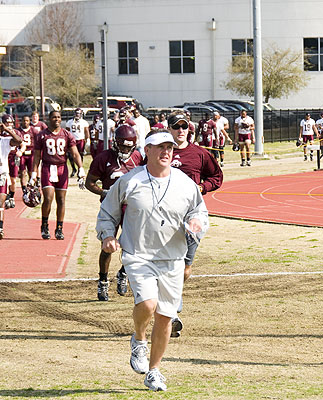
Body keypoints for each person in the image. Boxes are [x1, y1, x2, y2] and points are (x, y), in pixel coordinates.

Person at [96, 129, 208, 391]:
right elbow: (107, 211)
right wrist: (108, 235)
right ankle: (138, 340)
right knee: (148, 304)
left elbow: (200, 211)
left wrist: (196, 223)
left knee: (166, 316)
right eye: (159, 147)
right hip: (138, 254)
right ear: (146, 151)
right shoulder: (130, 180)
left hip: (173, 257)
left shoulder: (184, 182)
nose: (166, 152)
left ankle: (155, 370)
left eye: (169, 147)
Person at [167, 112, 222, 337]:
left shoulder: (200, 154)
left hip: (191, 217)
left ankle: (174, 296)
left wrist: (203, 187)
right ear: (168, 129)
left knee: (185, 266)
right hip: (163, 217)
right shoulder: (160, 151)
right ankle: (170, 313)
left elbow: (216, 177)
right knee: (167, 264)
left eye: (184, 127)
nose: (181, 131)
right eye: (176, 127)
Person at [86, 125, 144, 301]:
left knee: (132, 245)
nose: (126, 150)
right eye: (123, 146)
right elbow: (90, 182)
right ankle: (103, 281)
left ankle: (123, 273)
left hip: (129, 207)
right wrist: (104, 192)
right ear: (115, 143)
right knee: (108, 245)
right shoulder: (103, 158)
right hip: (110, 208)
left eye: (129, 146)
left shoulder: (137, 158)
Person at [30, 110, 85, 240]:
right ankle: (44, 225)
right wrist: (34, 173)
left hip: (62, 168)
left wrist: (81, 168)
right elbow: (37, 156)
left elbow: (75, 153)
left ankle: (59, 228)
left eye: (59, 117)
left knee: (61, 200)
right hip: (48, 168)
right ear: (49, 119)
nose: (56, 119)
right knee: (48, 198)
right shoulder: (41, 135)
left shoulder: (67, 135)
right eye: (54, 117)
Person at [0, 114, 25, 208]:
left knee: (13, 179)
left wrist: (21, 152)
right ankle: (5, 196)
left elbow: (23, 144)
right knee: (3, 178)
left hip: (12, 156)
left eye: (10, 122)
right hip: (2, 157)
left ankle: (11, 196)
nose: (9, 124)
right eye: (7, 122)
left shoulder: (16, 133)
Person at [65, 108, 89, 177]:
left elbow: (86, 132)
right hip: (72, 140)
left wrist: (87, 140)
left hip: (80, 140)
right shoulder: (69, 122)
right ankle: (73, 169)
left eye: (79, 113)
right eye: (76, 113)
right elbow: (67, 132)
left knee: (80, 155)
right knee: (70, 156)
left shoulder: (84, 122)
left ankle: (79, 169)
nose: (77, 115)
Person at [17, 116, 38, 194]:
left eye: (27, 121)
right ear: (21, 121)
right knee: (22, 172)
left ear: (29, 121)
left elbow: (38, 141)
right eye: (24, 120)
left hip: (31, 153)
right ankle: (24, 190)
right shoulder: (18, 131)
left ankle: (32, 188)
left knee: (31, 172)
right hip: (22, 154)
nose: (25, 122)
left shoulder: (34, 130)